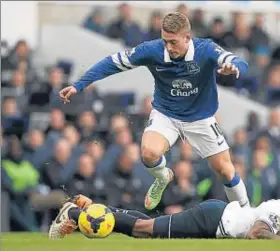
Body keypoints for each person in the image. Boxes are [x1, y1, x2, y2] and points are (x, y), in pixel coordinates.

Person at [58, 12, 250, 210]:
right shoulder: (151, 50)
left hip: (200, 118)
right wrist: (79, 85)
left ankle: (247, 213)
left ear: (187, 37)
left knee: (225, 170)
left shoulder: (206, 49)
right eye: (165, 41)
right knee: (149, 153)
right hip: (166, 114)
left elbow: (240, 62)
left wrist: (233, 68)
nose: (168, 47)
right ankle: (162, 177)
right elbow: (111, 63)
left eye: (173, 42)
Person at [49, 186, 280, 240]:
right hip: (213, 220)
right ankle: (75, 214)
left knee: (149, 226)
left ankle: (91, 208)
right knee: (144, 229)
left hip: (218, 218)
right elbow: (259, 234)